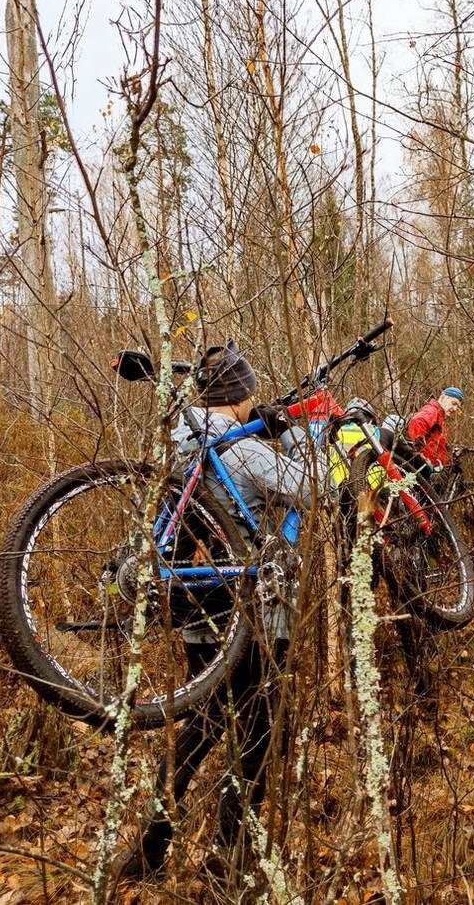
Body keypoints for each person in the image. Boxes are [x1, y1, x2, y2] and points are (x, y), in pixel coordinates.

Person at [113, 339, 330, 885]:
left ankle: (150, 844)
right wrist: (302, 439)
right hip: (255, 618)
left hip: (197, 613)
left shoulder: (183, 449)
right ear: (239, 397)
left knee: (204, 723)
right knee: (257, 731)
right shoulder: (242, 450)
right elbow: (317, 489)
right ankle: (226, 855)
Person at [406, 386, 464, 468]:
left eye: (457, 407)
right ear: (443, 397)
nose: (455, 409)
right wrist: (420, 455)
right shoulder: (432, 411)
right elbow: (417, 422)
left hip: (429, 468)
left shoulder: (440, 418)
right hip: (420, 467)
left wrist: (447, 463)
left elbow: (439, 448)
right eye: (453, 403)